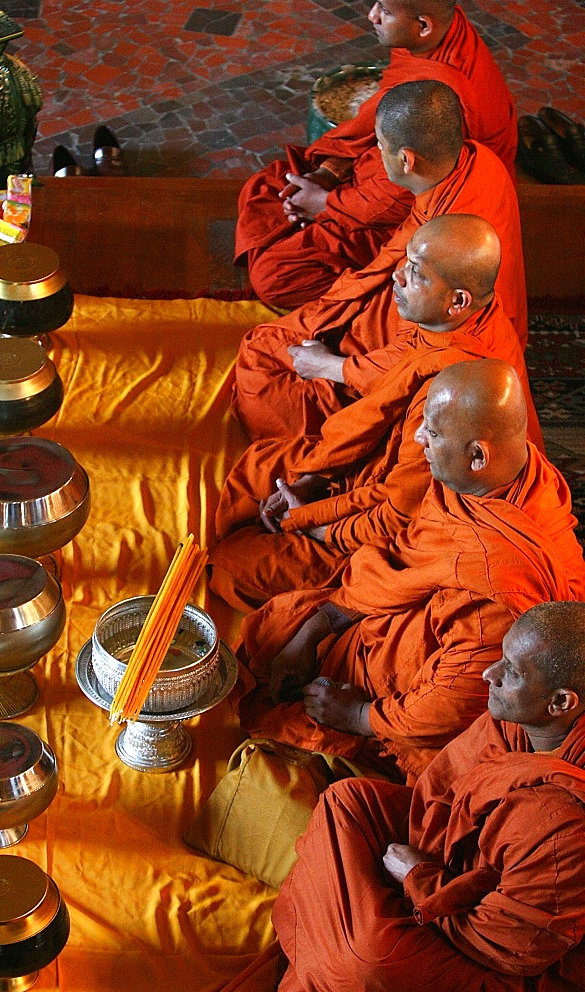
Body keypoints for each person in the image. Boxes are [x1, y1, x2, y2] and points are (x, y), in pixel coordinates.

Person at [235, 360, 585, 783]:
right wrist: (320, 623)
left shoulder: (497, 590)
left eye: (432, 434)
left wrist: (360, 715)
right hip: (409, 608)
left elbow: (454, 701)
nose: (419, 437)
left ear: (478, 456)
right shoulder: (503, 475)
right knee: (281, 625)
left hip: (428, 690)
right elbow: (409, 551)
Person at [211, 217, 542, 613]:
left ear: (458, 301)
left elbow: (398, 515)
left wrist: (312, 523)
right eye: (405, 261)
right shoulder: (448, 325)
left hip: (399, 525)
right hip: (374, 474)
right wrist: (315, 480)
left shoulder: (451, 398)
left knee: (231, 566)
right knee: (262, 467)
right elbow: (376, 421)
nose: (397, 276)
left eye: (415, 273)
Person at [273, 602, 585, 992]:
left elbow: (510, 948)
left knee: (370, 961)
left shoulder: (566, 825)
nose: (491, 674)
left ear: (561, 703)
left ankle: (329, 949)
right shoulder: (518, 718)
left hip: (496, 962)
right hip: (448, 865)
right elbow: (438, 797)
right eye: (502, 656)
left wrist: (419, 878)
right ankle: (336, 941)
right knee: (347, 800)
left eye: (513, 671)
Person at [233, 81, 528, 444]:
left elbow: (421, 355)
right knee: (271, 341)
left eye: (379, 145)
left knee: (264, 378)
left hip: (448, 358)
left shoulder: (452, 240)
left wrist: (333, 366)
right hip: (423, 309)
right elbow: (395, 258)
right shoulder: (476, 162)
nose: (375, 152)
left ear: (407, 160)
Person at [236, 1, 518, 310]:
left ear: (423, 26)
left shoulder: (447, 96)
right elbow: (379, 128)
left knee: (274, 275)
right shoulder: (430, 41)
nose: (372, 15)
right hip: (383, 176)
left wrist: (324, 204)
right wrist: (330, 171)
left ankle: (380, 309)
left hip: (419, 213)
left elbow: (399, 197)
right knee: (265, 187)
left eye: (384, 9)